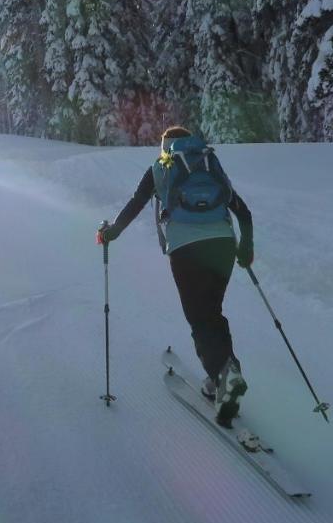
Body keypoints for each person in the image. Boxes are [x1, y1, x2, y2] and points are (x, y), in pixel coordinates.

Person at [97, 126, 255, 426]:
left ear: (164, 145)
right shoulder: (209, 162)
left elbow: (136, 203)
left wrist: (110, 233)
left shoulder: (162, 166)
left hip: (185, 249)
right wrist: (245, 248)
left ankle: (224, 374)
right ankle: (222, 374)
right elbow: (243, 212)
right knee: (212, 311)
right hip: (223, 243)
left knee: (198, 317)